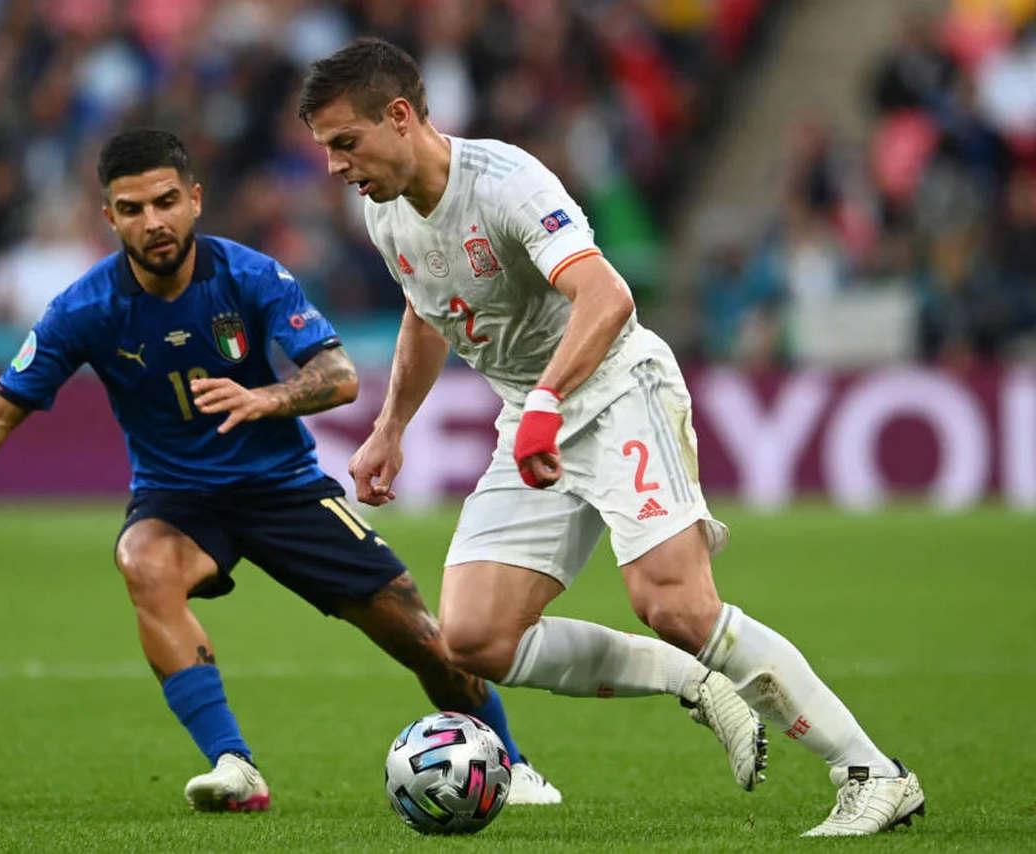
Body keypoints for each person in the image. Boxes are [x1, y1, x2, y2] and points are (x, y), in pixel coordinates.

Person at [299, 39, 924, 837]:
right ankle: (690, 682)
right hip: (534, 412)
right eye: (324, 151)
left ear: (398, 117)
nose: (334, 167)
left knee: (675, 602)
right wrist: (391, 428)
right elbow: (425, 307)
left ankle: (872, 772)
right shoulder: (383, 210)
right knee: (475, 636)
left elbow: (606, 294)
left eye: (344, 144)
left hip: (614, 389)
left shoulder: (507, 183)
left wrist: (547, 403)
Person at [0, 128, 567, 812]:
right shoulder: (85, 309)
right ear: (109, 217)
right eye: (133, 210)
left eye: (166, 201)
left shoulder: (250, 276)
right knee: (141, 560)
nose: (153, 222)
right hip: (178, 500)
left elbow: (340, 375)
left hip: (284, 491)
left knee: (424, 638)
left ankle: (514, 763)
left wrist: (266, 397)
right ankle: (234, 765)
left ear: (195, 199)